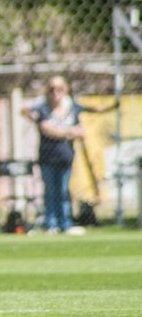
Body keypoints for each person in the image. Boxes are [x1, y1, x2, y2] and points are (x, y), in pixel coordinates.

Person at [20, 76, 118, 235]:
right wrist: (69, 132)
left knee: (64, 191)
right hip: (47, 156)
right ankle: (50, 223)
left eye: (59, 89)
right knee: (50, 191)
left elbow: (93, 111)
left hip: (65, 156)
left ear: (65, 90)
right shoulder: (43, 108)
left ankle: (65, 223)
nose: (55, 93)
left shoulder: (71, 106)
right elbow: (45, 127)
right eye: (51, 89)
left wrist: (113, 104)